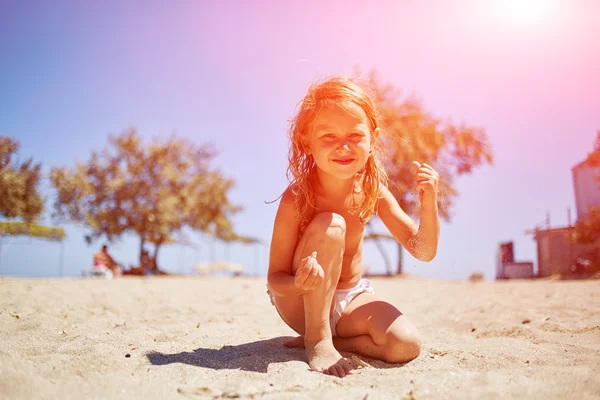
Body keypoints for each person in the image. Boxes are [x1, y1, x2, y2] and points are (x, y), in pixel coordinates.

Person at [266, 77, 440, 378]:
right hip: (299, 301)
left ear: (372, 139)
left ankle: (335, 340)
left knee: (405, 345)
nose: (343, 146)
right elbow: (274, 278)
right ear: (306, 141)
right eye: (328, 136)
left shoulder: (373, 191)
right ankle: (317, 339)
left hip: (351, 299)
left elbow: (423, 251)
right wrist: (300, 284)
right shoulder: (296, 198)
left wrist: (429, 203)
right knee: (332, 225)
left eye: (354, 135)